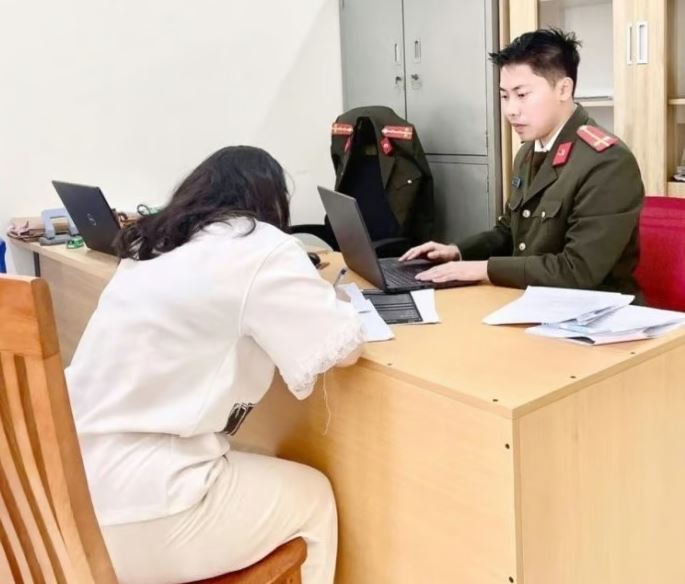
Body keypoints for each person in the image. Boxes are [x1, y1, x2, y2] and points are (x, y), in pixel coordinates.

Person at [65, 146, 365, 584]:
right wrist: (333, 299)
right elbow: (341, 347)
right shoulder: (258, 245)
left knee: (256, 461)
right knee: (313, 496)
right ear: (270, 201)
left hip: (68, 495)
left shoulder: (153, 248)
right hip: (142, 513)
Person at [401, 28, 644, 298]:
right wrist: (458, 252)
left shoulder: (607, 162)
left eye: (522, 95)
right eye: (505, 96)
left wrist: (482, 269)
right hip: (533, 298)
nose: (510, 110)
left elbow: (578, 271)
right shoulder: (529, 151)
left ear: (564, 89)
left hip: (596, 311)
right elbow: (509, 230)